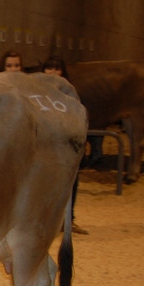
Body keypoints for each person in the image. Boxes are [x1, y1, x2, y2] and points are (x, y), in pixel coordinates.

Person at [41, 55, 86, 234]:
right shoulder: (35, 92)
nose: (52, 72)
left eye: (56, 68)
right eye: (49, 68)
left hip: (65, 144)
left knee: (70, 182)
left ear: (62, 72)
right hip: (43, 145)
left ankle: (68, 220)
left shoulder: (69, 94)